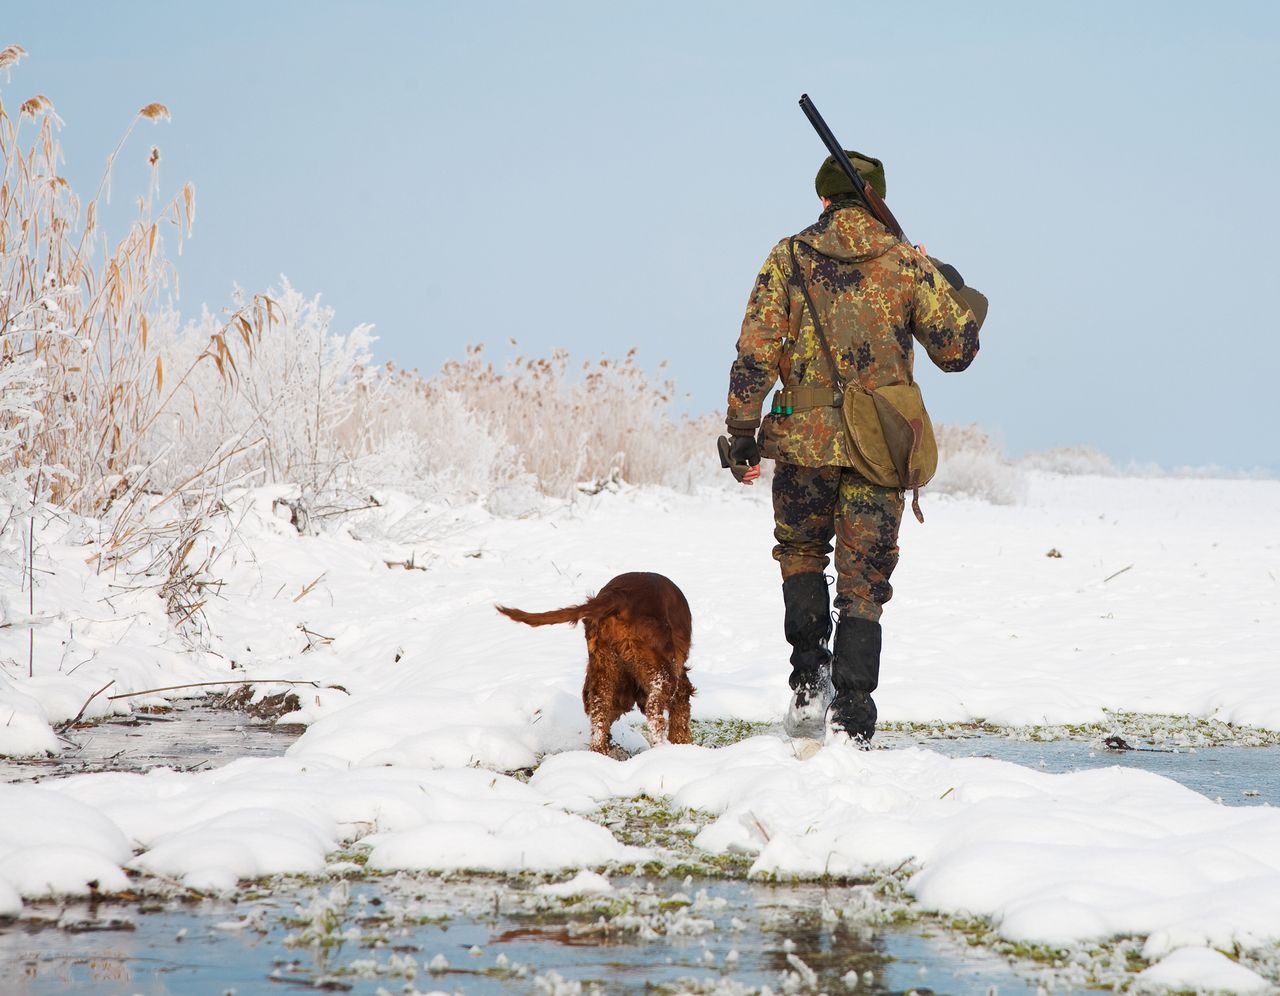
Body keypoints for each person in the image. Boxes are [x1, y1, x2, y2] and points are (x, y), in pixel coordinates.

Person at [722, 150, 988, 745]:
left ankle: (808, 686)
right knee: (864, 580)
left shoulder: (788, 255)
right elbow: (958, 351)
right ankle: (853, 714)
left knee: (800, 554)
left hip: (802, 444)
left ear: (823, 199)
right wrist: (939, 279)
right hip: (880, 449)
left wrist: (743, 435)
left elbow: (754, 351)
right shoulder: (904, 262)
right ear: (876, 198)